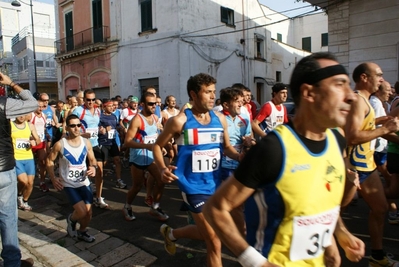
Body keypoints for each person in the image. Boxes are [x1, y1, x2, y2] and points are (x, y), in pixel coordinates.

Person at [203, 52, 365, 266]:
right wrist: (256, 263)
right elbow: (215, 208)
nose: (351, 96)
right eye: (339, 84)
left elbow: (322, 201)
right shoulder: (273, 149)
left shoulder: (337, 141)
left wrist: (340, 233)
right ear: (309, 93)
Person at [153, 73, 240, 266]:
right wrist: (161, 168)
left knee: (208, 232)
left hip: (216, 185)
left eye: (213, 92)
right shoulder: (179, 121)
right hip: (192, 187)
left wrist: (240, 156)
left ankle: (171, 233)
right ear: (193, 94)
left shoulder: (220, 120)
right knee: (215, 240)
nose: (212, 96)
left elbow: (227, 148)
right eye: (207, 92)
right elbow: (157, 146)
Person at [345, 62, 399, 267]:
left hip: (367, 166)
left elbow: (366, 125)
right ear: (364, 78)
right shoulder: (358, 100)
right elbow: (352, 136)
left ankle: (377, 257)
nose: (382, 79)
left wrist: (383, 122)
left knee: (380, 208)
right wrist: (385, 130)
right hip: (353, 168)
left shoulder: (366, 101)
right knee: (334, 214)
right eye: (379, 75)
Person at [0, 72, 37, 266]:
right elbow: (32, 103)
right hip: (3, 169)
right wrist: (12, 83)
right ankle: (12, 263)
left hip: (5, 167)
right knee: (7, 217)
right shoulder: (4, 103)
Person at [46, 114, 97, 243]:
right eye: (73, 126)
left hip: (83, 182)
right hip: (69, 184)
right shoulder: (60, 144)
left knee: (89, 213)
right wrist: (53, 178)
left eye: (78, 125)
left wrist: (94, 168)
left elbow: (93, 160)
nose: (76, 128)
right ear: (67, 128)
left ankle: (82, 232)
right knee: (82, 212)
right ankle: (71, 220)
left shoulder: (86, 142)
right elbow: (49, 161)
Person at [122, 92, 168, 221]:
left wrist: (160, 146)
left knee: (161, 180)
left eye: (156, 103)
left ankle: (155, 207)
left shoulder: (154, 118)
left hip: (151, 156)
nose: (154, 106)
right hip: (138, 157)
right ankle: (127, 206)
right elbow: (127, 142)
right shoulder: (137, 120)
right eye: (151, 104)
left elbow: (155, 136)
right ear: (142, 104)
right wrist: (147, 146)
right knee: (137, 186)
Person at [72, 89, 107, 208]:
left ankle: (98, 197)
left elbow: (97, 125)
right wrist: (81, 134)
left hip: (95, 145)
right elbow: (71, 129)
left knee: (100, 172)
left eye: (93, 99)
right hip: (82, 146)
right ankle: (81, 198)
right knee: (84, 173)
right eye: (88, 100)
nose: (91, 102)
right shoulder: (78, 111)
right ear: (84, 100)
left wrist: (101, 129)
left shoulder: (97, 110)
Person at [370, 81, 399, 224]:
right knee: (390, 183)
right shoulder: (375, 103)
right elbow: (374, 125)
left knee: (392, 186)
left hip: (384, 149)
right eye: (387, 90)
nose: (390, 92)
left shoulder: (383, 103)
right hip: (382, 150)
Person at [11, 114, 40, 211]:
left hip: (29, 157)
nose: (21, 116)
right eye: (19, 114)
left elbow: (38, 140)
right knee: (23, 181)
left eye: (23, 114)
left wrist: (35, 142)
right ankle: (19, 195)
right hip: (16, 157)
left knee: (30, 183)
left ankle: (24, 200)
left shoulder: (30, 125)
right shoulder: (10, 125)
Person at [98, 100, 126, 189]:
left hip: (112, 141)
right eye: (109, 106)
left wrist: (120, 128)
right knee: (103, 163)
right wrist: (104, 129)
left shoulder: (114, 116)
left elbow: (116, 125)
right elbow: (97, 129)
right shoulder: (100, 117)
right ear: (104, 107)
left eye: (113, 106)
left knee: (117, 160)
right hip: (103, 142)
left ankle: (119, 180)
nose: (112, 108)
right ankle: (98, 181)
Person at [29, 99, 50, 192]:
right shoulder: (31, 116)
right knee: (30, 163)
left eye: (42, 107)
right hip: (31, 142)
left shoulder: (44, 116)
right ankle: (28, 182)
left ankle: (42, 182)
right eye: (39, 106)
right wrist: (30, 138)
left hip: (41, 142)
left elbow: (44, 128)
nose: (41, 109)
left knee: (43, 162)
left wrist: (47, 135)